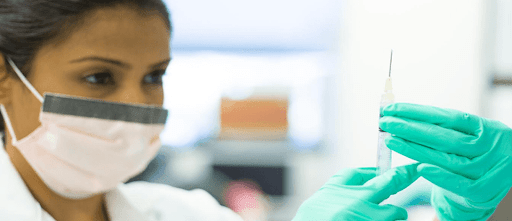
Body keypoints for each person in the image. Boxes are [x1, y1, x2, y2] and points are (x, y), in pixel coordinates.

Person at [0, 1, 511, 221]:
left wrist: (489, 208)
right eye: (98, 77)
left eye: (154, 76)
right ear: (6, 78)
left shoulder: (186, 214)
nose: (138, 104)